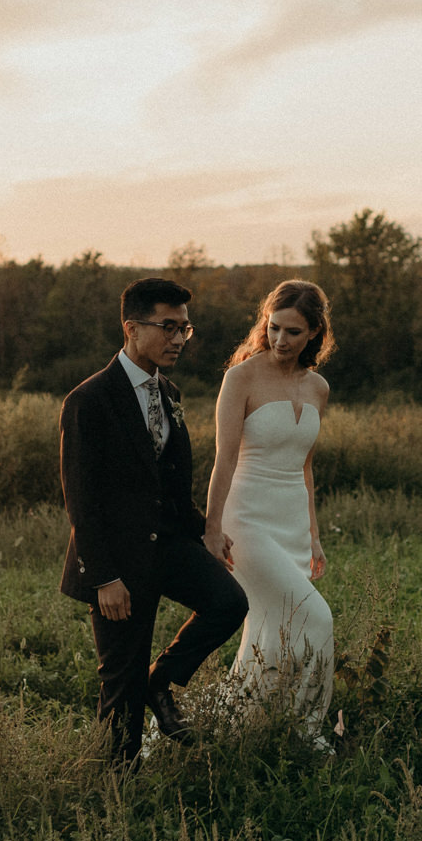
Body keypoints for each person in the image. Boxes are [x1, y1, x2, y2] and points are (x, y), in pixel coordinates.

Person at [59, 277, 248, 765]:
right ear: (131, 328)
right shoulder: (89, 401)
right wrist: (104, 577)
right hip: (118, 562)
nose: (180, 338)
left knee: (229, 602)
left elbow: (167, 486)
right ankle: (120, 784)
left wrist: (205, 530)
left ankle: (159, 682)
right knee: (119, 684)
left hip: (167, 546)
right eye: (168, 327)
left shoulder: (170, 392)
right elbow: (82, 501)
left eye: (186, 328)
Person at [203, 279, 335, 746]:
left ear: (315, 333)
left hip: (293, 523)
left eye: (293, 332)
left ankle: (242, 729)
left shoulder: (318, 387)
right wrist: (212, 526)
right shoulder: (241, 378)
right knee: (315, 619)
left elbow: (305, 466)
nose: (281, 340)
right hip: (248, 521)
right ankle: (309, 735)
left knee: (273, 632)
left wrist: (314, 535)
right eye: (274, 328)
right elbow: (225, 459)